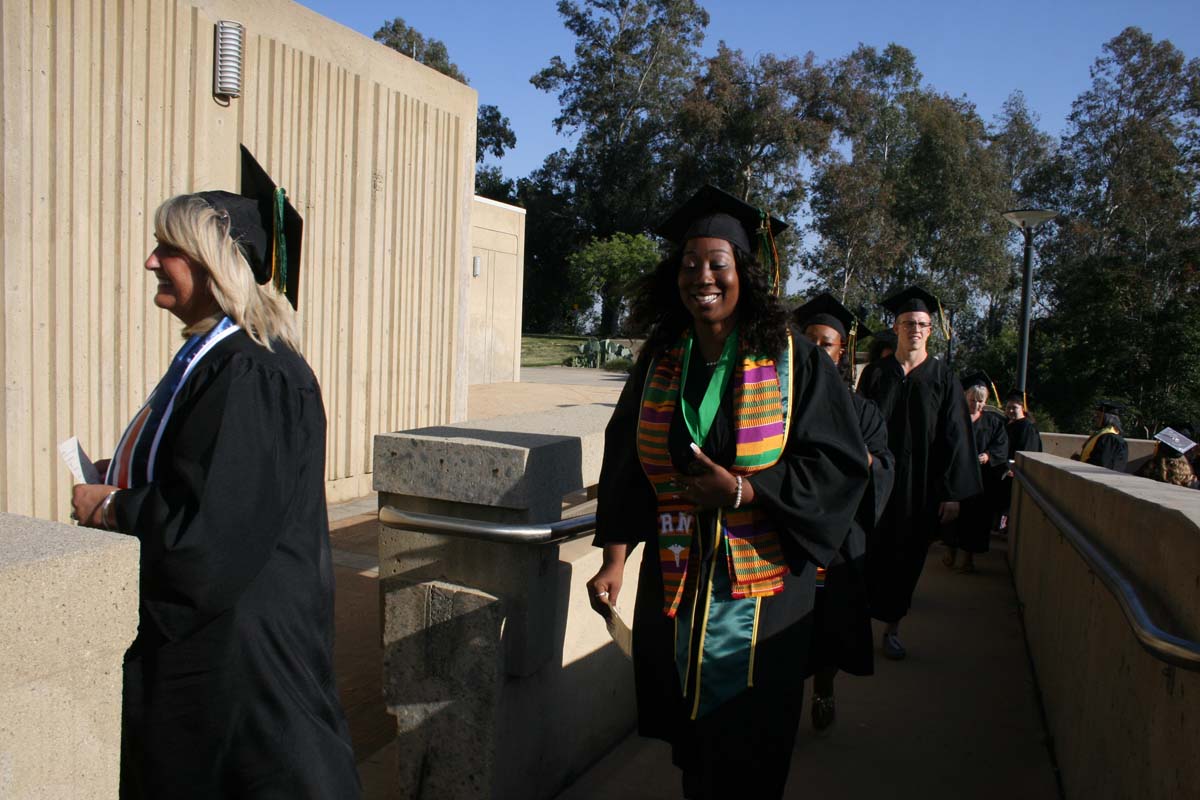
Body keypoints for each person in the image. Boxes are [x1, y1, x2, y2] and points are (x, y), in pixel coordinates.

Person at [70, 149, 360, 799]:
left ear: (214, 264)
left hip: (241, 676)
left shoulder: (250, 372)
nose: (151, 261)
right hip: (222, 658)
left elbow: (206, 538)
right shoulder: (223, 360)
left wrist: (113, 507)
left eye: (165, 248)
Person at [585, 185, 869, 799]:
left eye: (719, 263)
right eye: (690, 265)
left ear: (744, 272)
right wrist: (614, 559)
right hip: (679, 572)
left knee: (751, 737)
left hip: (761, 583)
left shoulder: (793, 358)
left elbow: (839, 464)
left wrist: (744, 491)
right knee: (694, 735)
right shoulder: (664, 357)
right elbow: (626, 457)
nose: (703, 277)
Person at [856, 286, 981, 660]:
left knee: (907, 559)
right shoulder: (876, 375)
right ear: (895, 327)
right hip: (874, 481)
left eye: (923, 324)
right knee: (865, 553)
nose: (916, 329)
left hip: (919, 486)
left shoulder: (943, 379)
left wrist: (953, 493)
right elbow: (855, 425)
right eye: (909, 323)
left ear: (931, 331)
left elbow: (957, 437)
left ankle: (893, 628)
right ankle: (858, 624)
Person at [792, 292, 894, 733]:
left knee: (830, 628)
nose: (818, 349)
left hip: (839, 537)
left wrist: (864, 462)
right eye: (810, 340)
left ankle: (825, 688)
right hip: (786, 533)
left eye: (827, 343)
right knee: (785, 630)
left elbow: (885, 464)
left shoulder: (862, 412)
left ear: (841, 351)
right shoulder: (775, 403)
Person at [942, 372, 1007, 574]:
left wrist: (988, 456)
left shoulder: (993, 423)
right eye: (973, 400)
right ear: (965, 397)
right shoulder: (953, 418)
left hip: (980, 481)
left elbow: (1002, 446)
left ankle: (967, 558)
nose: (977, 405)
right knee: (952, 519)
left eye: (981, 401)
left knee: (974, 522)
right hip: (955, 476)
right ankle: (950, 551)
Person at [997, 389, 1043, 532]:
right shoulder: (1007, 424)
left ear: (1022, 408)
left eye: (1014, 407)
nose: (1010, 410)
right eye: (1008, 407)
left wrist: (1014, 467)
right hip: (1003, 472)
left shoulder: (1027, 427)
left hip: (1013, 472)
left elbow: (1028, 451)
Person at [1078, 400, 1128, 471]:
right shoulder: (1103, 434)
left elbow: (1103, 463)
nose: (1095, 419)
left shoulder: (1110, 438)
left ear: (1107, 418)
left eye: (1098, 416)